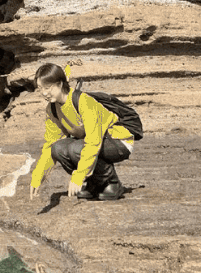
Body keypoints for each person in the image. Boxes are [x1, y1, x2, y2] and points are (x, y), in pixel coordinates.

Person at [28, 63, 134, 201]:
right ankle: (93, 182)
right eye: (40, 89)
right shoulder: (52, 109)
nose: (44, 93)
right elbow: (50, 144)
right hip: (92, 143)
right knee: (58, 148)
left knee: (75, 148)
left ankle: (112, 183)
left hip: (119, 141)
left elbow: (93, 142)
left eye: (47, 88)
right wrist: (37, 177)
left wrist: (78, 176)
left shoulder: (83, 102)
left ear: (60, 84)